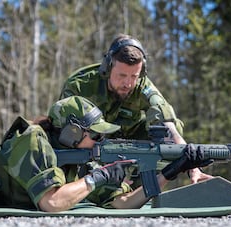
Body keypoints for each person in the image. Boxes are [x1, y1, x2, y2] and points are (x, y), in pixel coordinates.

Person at [0, 96, 209, 212]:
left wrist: (170, 171)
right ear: (71, 132)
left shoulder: (83, 163)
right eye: (94, 134)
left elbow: (123, 203)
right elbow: (52, 202)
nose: (100, 140)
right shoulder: (32, 140)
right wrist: (98, 177)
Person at [59, 34, 212, 184]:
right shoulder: (79, 85)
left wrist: (191, 163)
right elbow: (65, 132)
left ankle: (136, 184)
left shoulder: (142, 84)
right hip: (89, 147)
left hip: (129, 143)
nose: (128, 83)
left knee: (167, 130)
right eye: (122, 75)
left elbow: (166, 119)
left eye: (134, 76)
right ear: (107, 67)